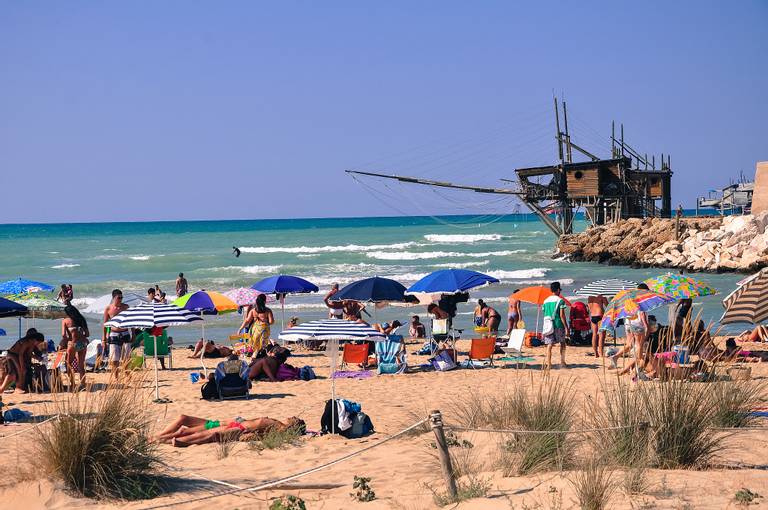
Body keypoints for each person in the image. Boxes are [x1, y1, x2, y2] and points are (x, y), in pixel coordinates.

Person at [154, 414, 305, 447]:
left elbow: (260, 434)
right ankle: (159, 438)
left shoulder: (281, 427)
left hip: (238, 430)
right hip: (235, 425)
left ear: (294, 425)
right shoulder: (277, 423)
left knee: (210, 434)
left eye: (294, 419)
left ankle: (168, 441)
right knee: (187, 429)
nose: (291, 417)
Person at [0, 329, 46, 393]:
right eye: (38, 342)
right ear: (35, 339)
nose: (38, 344)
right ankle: (18, 387)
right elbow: (20, 354)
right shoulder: (25, 342)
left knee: (22, 371)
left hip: (17, 355)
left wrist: (37, 358)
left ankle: (20, 387)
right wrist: (21, 366)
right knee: (20, 370)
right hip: (12, 354)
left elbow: (29, 353)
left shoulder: (32, 344)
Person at [103, 289, 132, 374]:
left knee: (127, 358)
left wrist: (133, 334)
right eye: (118, 298)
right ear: (113, 298)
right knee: (115, 359)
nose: (120, 299)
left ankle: (127, 375)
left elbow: (131, 321)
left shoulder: (125, 307)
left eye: (121, 297)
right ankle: (116, 378)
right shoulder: (109, 308)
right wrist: (104, 339)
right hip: (113, 334)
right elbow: (105, 324)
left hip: (125, 333)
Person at [541, 281, 569, 370]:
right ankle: (562, 362)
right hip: (558, 324)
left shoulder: (545, 301)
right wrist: (566, 327)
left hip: (548, 325)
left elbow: (545, 313)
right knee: (562, 343)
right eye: (559, 290)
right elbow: (562, 315)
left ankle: (549, 364)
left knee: (549, 344)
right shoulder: (560, 301)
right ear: (557, 290)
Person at [61, 304, 90, 389]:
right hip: (82, 344)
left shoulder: (65, 321)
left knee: (68, 364)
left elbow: (63, 335)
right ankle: (83, 384)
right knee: (81, 365)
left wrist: (68, 340)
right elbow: (87, 334)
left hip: (73, 344)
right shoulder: (81, 319)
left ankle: (72, 383)